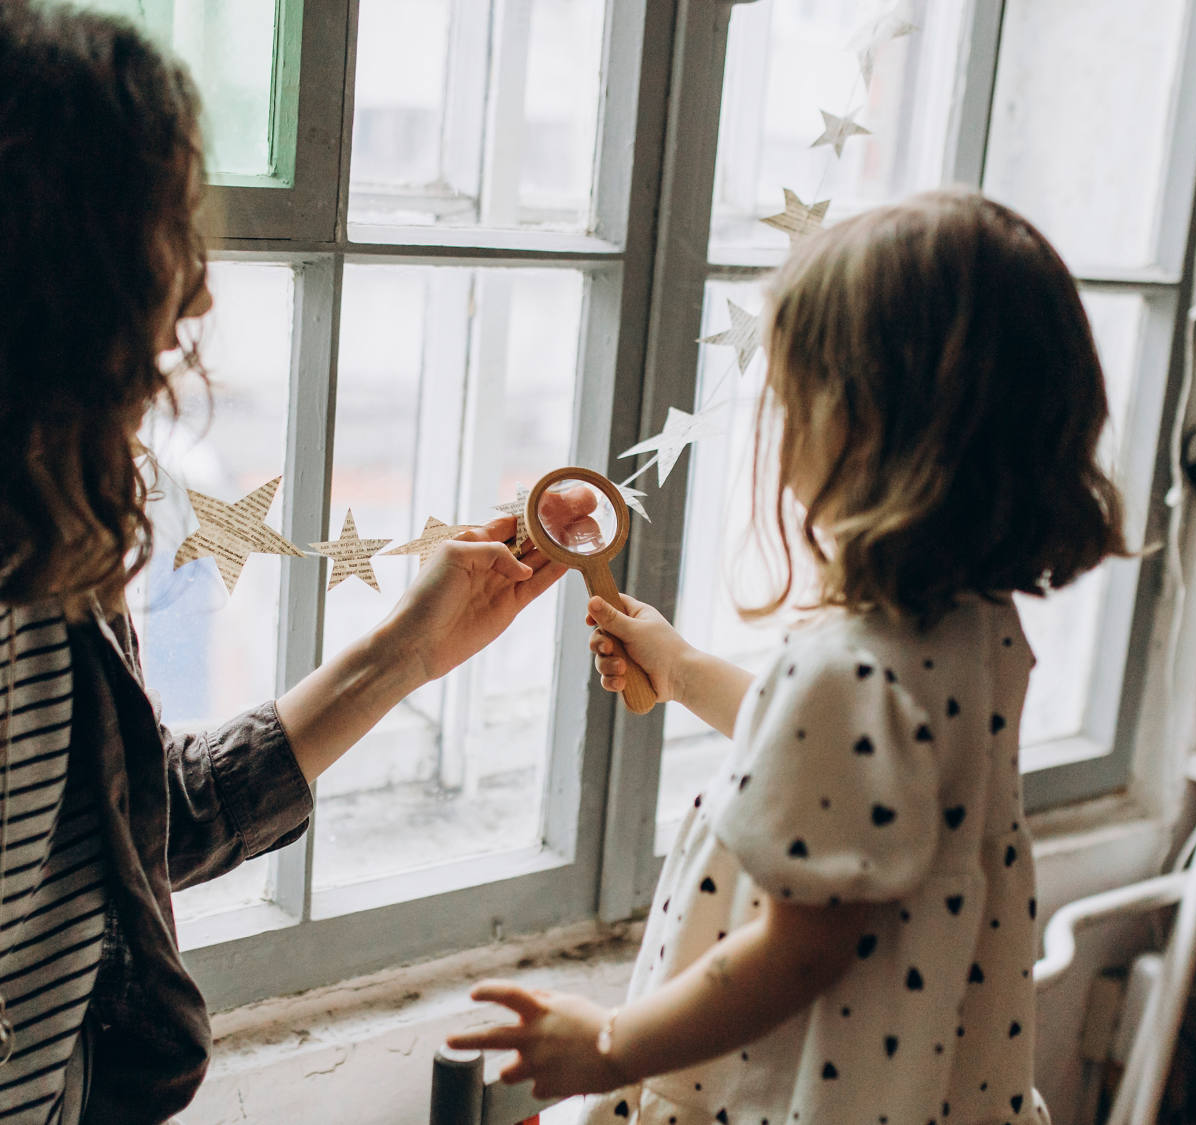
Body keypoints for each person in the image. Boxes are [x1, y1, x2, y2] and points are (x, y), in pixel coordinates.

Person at [0, 1, 565, 1121]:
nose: (190, 298)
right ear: (7, 258)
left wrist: (402, 655)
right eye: (152, 246)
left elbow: (128, 823)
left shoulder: (48, 512)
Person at [449, 189, 1129, 1125]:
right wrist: (680, 667)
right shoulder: (972, 625)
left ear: (866, 424)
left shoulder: (846, 669)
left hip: (791, 1086)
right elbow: (858, 778)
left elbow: (799, 952)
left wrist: (610, 1043)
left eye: (791, 393)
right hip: (927, 1084)